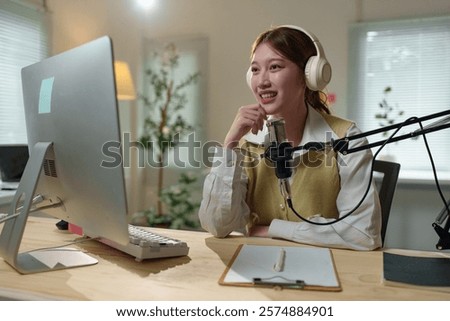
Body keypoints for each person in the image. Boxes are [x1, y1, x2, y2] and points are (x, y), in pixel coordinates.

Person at [198, 25, 382, 251]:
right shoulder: (247, 145)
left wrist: (273, 229)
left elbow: (363, 234)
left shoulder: (346, 138)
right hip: (260, 267)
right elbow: (217, 226)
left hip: (330, 270)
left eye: (275, 67)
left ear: (308, 75)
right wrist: (230, 145)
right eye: (255, 70)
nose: (262, 81)